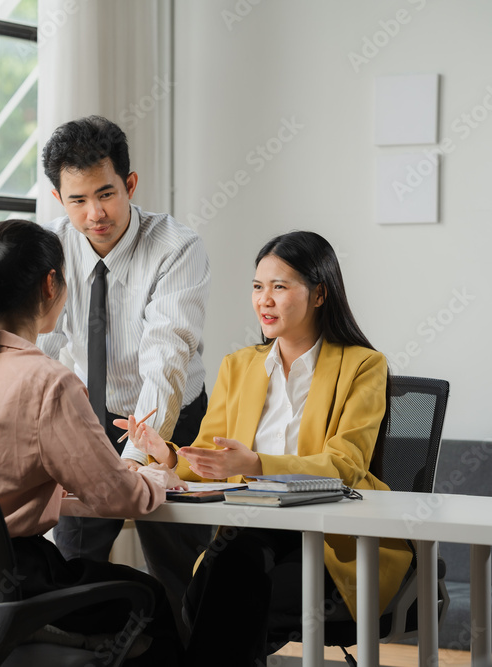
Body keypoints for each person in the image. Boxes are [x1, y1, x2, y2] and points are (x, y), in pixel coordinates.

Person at [0, 220, 185, 665]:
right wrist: (155, 476)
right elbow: (116, 495)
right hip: (10, 589)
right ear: (51, 284)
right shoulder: (49, 380)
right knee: (153, 599)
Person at [124, 230, 415, 665]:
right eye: (258, 287)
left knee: (222, 597)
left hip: (332, 541)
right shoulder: (239, 366)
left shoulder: (362, 365)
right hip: (252, 532)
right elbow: (209, 456)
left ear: (319, 295)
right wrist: (165, 454)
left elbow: (346, 465)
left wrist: (256, 463)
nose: (265, 300)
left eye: (280, 287)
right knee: (224, 585)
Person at [37, 115, 215, 633]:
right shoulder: (51, 250)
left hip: (172, 422)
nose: (95, 214)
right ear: (58, 198)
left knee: (181, 565)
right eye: (77, 200)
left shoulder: (176, 247)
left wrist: (139, 457)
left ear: (130, 185)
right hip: (88, 419)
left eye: (106, 193)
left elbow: (167, 356)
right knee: (74, 567)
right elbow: (37, 348)